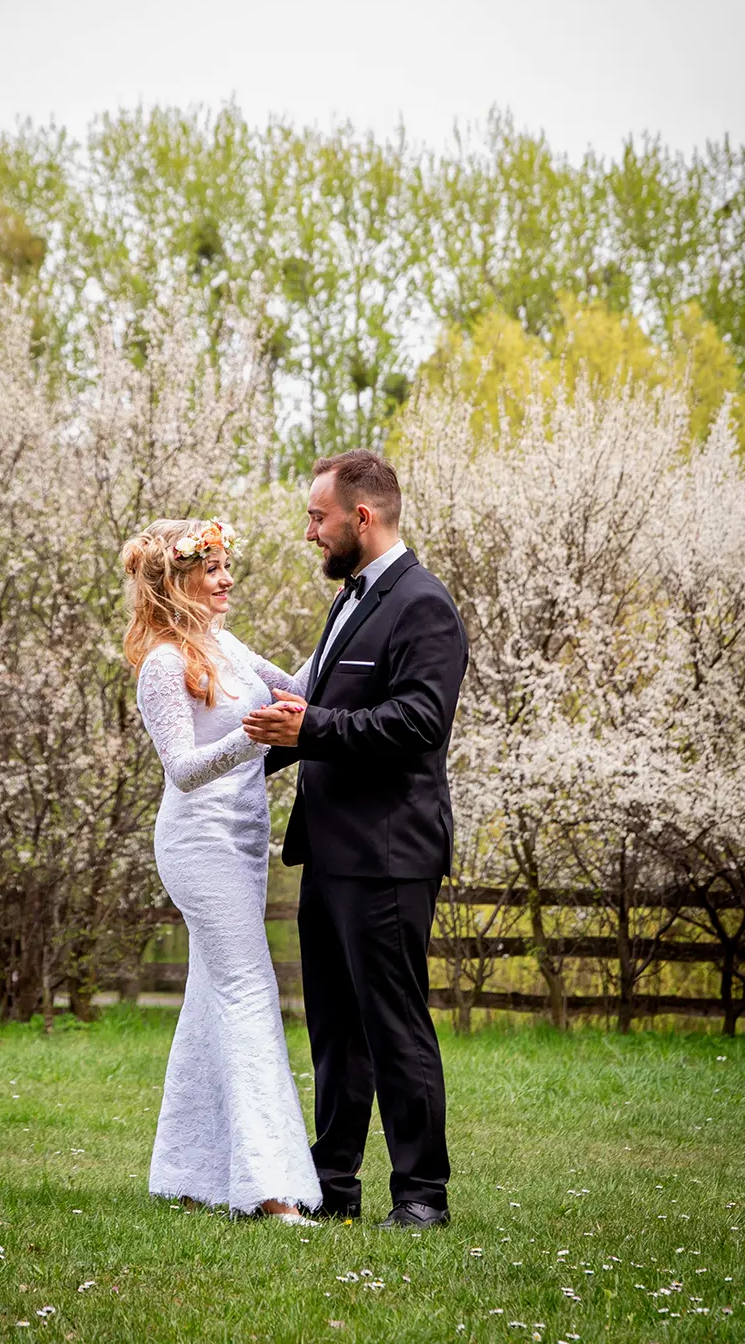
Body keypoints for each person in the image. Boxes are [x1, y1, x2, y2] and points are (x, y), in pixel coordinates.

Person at [243, 450, 468, 1230]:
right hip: (331, 852)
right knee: (336, 1032)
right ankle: (332, 1185)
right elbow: (317, 708)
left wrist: (311, 729)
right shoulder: (350, 598)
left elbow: (418, 721)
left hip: (388, 855)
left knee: (394, 1025)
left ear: (361, 517)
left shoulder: (424, 605)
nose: (311, 532)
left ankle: (423, 1196)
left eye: (318, 517)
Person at [121, 518, 321, 1223]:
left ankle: (188, 1174)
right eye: (211, 569)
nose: (227, 578)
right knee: (247, 991)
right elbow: (181, 768)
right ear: (176, 581)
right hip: (199, 845)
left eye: (225, 566)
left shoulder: (224, 644)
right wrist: (251, 738)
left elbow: (297, 686)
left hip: (243, 840)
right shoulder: (162, 665)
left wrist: (349, 619)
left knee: (213, 994)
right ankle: (270, 1189)